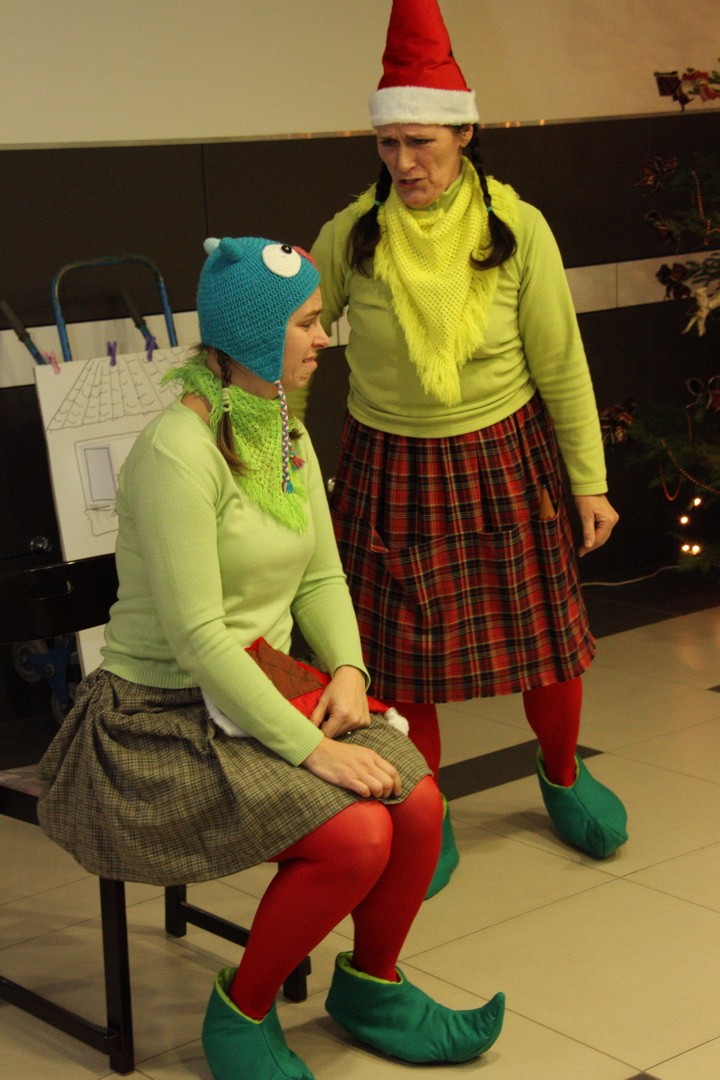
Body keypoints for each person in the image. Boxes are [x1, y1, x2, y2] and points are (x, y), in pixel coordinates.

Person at [35, 236, 505, 1080]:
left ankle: (373, 988)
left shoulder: (282, 429)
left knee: (420, 806)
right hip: (160, 715)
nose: (324, 338)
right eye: (306, 322)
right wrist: (313, 749)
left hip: (260, 687)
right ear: (252, 335)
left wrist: (351, 671)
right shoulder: (178, 451)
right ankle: (242, 1015)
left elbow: (320, 574)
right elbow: (198, 638)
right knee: (357, 837)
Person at [307, 0, 628, 892]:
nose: (404, 163)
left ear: (464, 133)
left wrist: (589, 482)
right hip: (389, 465)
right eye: (388, 144)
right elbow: (299, 341)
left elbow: (561, 363)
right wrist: (278, 458)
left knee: (547, 644)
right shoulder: (352, 234)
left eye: (422, 143)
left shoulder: (516, 229)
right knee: (403, 665)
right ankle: (428, 811)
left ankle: (561, 774)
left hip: (504, 458)